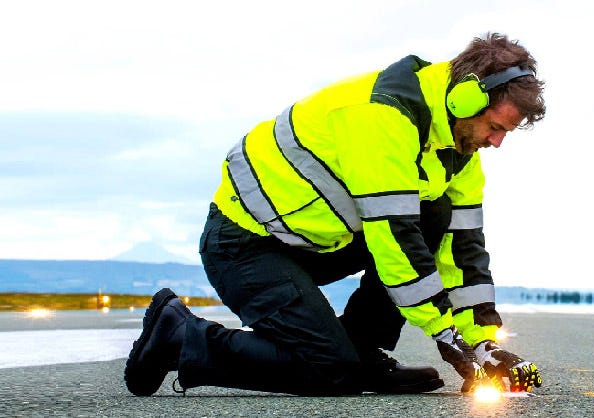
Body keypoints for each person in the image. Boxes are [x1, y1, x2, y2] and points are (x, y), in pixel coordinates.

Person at [125, 32, 546, 397]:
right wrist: (447, 337)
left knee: (436, 212)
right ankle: (179, 336)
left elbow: (462, 251)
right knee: (331, 370)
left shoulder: (458, 145)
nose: (497, 142)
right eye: (496, 127)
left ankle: (361, 350)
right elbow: (395, 239)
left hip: (313, 242)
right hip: (244, 246)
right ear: (464, 98)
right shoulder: (383, 117)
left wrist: (483, 343)